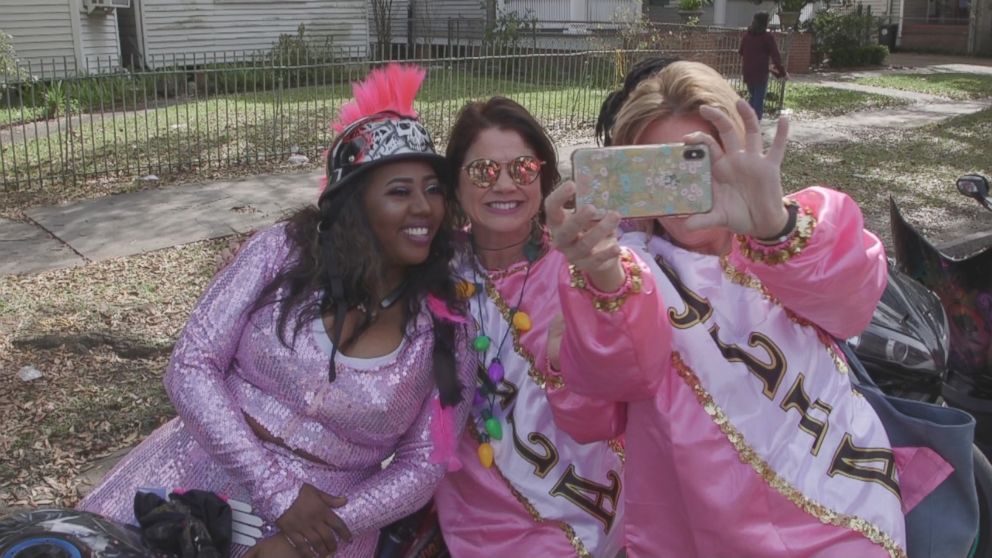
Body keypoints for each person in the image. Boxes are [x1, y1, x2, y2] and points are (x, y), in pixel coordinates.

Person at [78, 63, 475, 558]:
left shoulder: (446, 324)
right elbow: (191, 364)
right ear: (352, 203)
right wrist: (278, 493)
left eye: (433, 189)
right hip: (191, 475)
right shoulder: (280, 252)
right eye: (400, 191)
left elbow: (426, 461)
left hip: (326, 529)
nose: (425, 207)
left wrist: (321, 530)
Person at [549, 60, 913, 557]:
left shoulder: (795, 231)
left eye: (697, 160)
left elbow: (855, 303)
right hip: (697, 536)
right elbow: (595, 411)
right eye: (661, 167)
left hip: (846, 524)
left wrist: (775, 227)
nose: (682, 187)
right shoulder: (623, 271)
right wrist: (604, 283)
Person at [432, 97, 669, 557]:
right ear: (456, 185)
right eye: (483, 171)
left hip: (589, 500)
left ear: (543, 177)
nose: (504, 184)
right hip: (478, 512)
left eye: (522, 169)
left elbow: (634, 379)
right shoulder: (431, 272)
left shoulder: (587, 264)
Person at [739, 12, 787, 120]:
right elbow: (776, 56)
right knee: (758, 100)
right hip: (760, 72)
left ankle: (748, 121)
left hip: (748, 71)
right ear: (765, 22)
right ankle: (754, 125)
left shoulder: (747, 36)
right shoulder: (767, 37)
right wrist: (782, 72)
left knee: (752, 97)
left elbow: (741, 51)